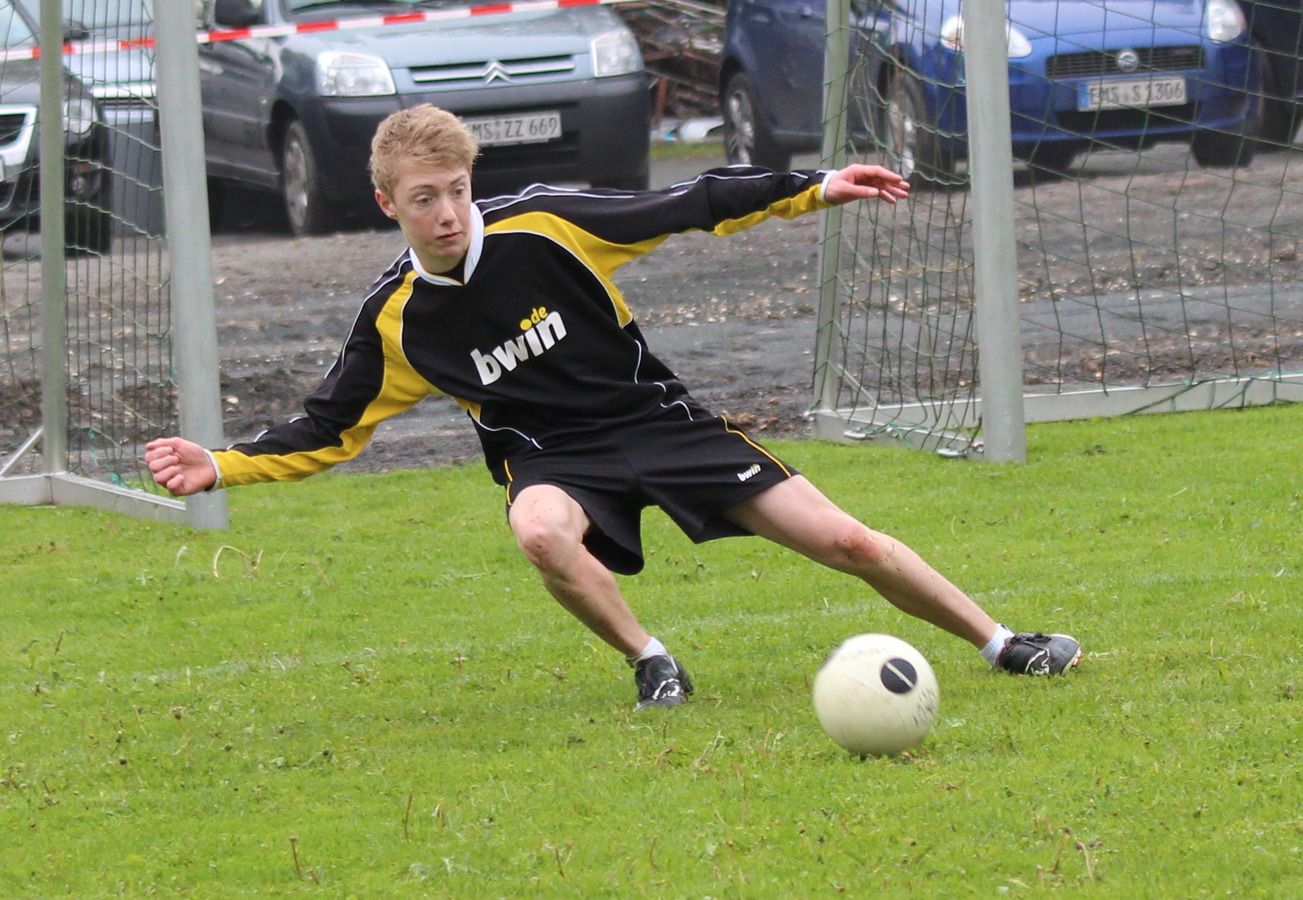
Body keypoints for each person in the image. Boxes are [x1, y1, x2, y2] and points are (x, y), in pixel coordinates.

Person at [146, 104, 1081, 711]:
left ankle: (1001, 643)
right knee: (538, 530)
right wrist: (219, 464)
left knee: (849, 543)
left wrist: (813, 187)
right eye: (424, 199)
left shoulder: (547, 226)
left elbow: (689, 201)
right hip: (554, 461)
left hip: (658, 426)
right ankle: (651, 661)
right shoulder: (394, 319)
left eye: (458, 193)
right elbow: (329, 428)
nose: (447, 214)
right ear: (386, 201)